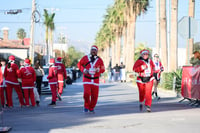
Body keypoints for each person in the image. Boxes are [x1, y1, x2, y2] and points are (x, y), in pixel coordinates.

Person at [77, 45, 105, 113]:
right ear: (90, 50)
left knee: (95, 96)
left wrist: (99, 70)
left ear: (96, 51)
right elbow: (79, 64)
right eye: (92, 50)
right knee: (86, 93)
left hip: (95, 81)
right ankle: (86, 106)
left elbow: (103, 69)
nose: (93, 51)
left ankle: (91, 107)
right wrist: (84, 70)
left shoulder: (99, 60)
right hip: (87, 80)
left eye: (95, 50)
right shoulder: (85, 58)